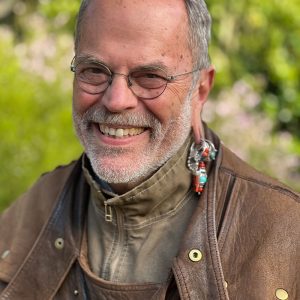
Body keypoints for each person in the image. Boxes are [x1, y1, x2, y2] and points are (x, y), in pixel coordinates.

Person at [0, 0, 299, 299]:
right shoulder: (32, 211)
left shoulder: (283, 233)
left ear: (200, 90)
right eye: (94, 70)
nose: (116, 101)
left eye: (150, 77)